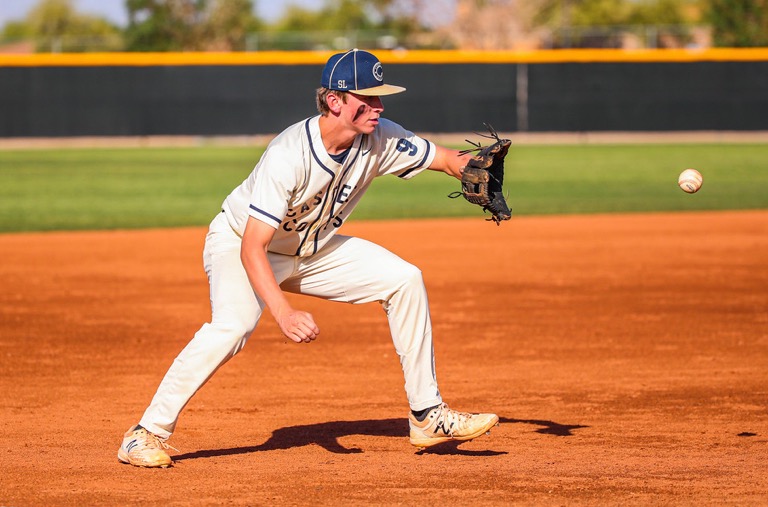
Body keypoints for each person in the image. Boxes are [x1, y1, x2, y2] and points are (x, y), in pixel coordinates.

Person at [118, 48, 499, 468]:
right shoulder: (288, 154)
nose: (378, 106)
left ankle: (427, 416)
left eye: (380, 97)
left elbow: (442, 157)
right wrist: (283, 314)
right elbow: (251, 248)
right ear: (335, 101)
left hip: (311, 248)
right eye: (367, 97)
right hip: (240, 242)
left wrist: (467, 167)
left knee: (404, 278)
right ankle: (144, 433)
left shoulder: (381, 136)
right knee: (234, 326)